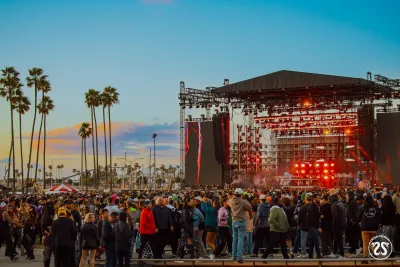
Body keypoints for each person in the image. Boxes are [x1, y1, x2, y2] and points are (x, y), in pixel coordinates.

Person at [230, 188, 251, 264]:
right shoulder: (243, 201)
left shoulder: (231, 200)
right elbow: (249, 207)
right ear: (241, 194)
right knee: (240, 239)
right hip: (241, 221)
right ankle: (239, 257)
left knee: (234, 239)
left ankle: (234, 256)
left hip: (234, 221)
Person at [359, 195, 382, 263]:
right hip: (373, 227)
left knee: (365, 243)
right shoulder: (376, 208)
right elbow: (379, 217)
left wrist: (358, 221)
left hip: (364, 227)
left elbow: (358, 217)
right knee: (371, 242)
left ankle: (365, 259)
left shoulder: (363, 208)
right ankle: (374, 254)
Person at [305, 194, 321, 259]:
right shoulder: (313, 207)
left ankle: (310, 255)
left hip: (311, 226)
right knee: (316, 240)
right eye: (318, 198)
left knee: (312, 241)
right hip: (312, 226)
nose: (319, 199)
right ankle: (318, 255)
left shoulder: (314, 206)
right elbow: (313, 219)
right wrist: (318, 227)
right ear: (314, 199)